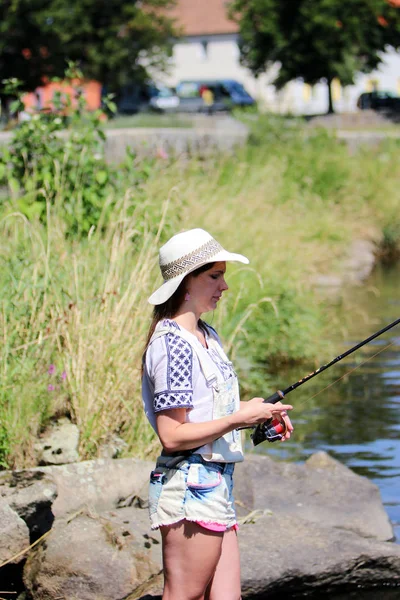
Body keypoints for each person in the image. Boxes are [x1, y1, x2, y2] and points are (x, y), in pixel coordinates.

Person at [142, 228, 294, 600]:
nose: (224, 285)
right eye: (214, 276)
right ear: (185, 283)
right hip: (189, 487)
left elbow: (209, 412)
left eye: (222, 275)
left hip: (216, 484)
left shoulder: (208, 336)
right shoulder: (172, 345)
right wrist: (235, 420)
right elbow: (173, 435)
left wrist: (257, 413)